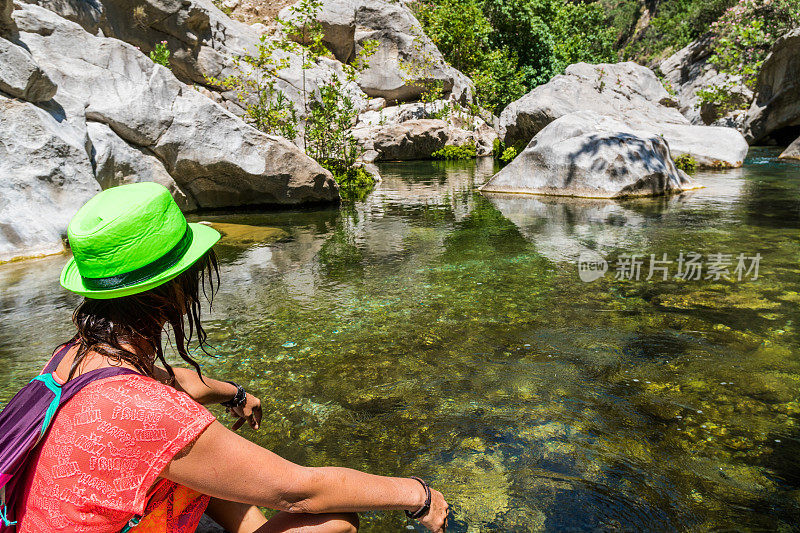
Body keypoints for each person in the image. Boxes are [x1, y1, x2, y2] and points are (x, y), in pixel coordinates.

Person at [15, 182, 450, 533]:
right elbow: (299, 491)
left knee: (191, 461)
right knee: (333, 520)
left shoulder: (73, 358)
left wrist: (233, 393)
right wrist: (417, 494)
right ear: (174, 290)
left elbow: (166, 381)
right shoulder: (145, 411)